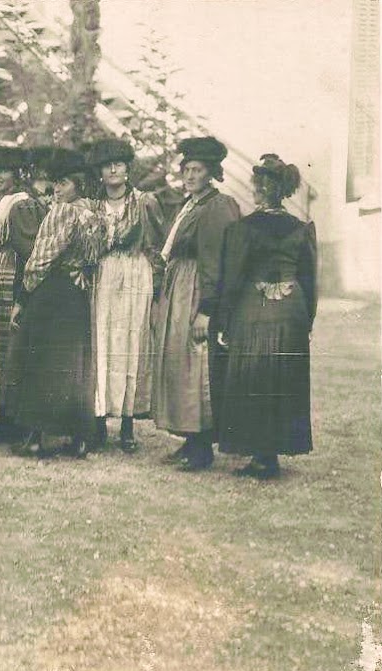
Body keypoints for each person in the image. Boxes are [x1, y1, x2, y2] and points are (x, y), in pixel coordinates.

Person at [215, 154, 316, 479]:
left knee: (254, 376)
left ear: (262, 188)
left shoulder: (244, 228)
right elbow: (309, 279)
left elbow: (233, 277)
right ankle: (269, 454)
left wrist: (224, 320)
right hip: (291, 308)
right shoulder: (301, 229)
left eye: (256, 185)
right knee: (282, 377)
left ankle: (261, 456)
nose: (253, 190)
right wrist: (308, 320)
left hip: (254, 307)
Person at [151, 137, 241, 471]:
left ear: (211, 173)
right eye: (186, 169)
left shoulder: (217, 207)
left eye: (198, 170)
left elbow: (214, 261)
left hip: (195, 290)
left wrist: (206, 310)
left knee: (195, 366)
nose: (190, 176)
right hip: (180, 289)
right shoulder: (190, 204)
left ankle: (202, 448)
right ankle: (190, 440)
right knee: (180, 365)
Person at [6, 148, 102, 458]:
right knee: (73, 364)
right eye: (55, 184)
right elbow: (93, 257)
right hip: (77, 292)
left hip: (52, 290)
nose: (57, 189)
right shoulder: (94, 214)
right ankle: (79, 438)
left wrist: (24, 295)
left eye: (63, 183)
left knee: (41, 361)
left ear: (78, 184)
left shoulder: (62, 212)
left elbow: (41, 258)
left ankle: (35, 438)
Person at [86, 138, 166, 452]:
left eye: (118, 164)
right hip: (103, 274)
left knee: (131, 345)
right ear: (100, 172)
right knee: (102, 343)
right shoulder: (92, 206)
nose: (113, 170)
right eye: (107, 165)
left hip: (135, 273)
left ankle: (128, 423)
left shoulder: (145, 202)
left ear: (127, 168)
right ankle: (98, 421)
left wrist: (156, 285)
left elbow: (158, 246)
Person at [0, 146, 46, 408]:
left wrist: (23, 291)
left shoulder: (21, 202)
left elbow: (29, 250)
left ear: (15, 174)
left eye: (3, 171)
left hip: (10, 272)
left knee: (9, 340)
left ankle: (10, 407)